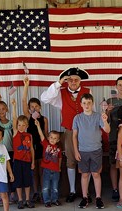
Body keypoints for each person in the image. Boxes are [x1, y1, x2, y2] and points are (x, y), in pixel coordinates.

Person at [40, 67, 91, 203]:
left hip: (85, 131)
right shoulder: (60, 93)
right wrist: (58, 83)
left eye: (76, 79)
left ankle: (85, 192)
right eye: (70, 80)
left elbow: (92, 111)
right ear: (66, 81)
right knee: (70, 160)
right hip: (69, 131)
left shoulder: (87, 92)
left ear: (80, 81)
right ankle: (73, 190)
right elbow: (44, 98)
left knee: (86, 159)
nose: (73, 82)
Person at [73, 93, 110, 209]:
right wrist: (76, 151)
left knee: (95, 174)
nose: (87, 105)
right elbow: (74, 136)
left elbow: (107, 130)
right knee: (84, 174)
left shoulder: (98, 116)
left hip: (96, 150)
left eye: (89, 103)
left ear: (92, 103)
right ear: (81, 104)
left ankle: (98, 198)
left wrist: (105, 121)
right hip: (83, 151)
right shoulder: (77, 118)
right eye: (84, 103)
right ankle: (85, 197)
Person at [23, 77, 49, 203]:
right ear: (29, 109)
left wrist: (48, 147)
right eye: (31, 106)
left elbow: (46, 134)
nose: (34, 108)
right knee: (33, 171)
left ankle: (43, 191)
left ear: (40, 107)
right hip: (30, 147)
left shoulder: (44, 119)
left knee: (42, 170)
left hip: (41, 146)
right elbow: (23, 100)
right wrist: (26, 86)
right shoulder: (28, 118)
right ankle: (35, 192)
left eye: (36, 106)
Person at [11, 99, 36, 209]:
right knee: (18, 181)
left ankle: (27, 199)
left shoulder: (29, 135)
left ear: (27, 125)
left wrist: (33, 162)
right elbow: (14, 118)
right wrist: (14, 106)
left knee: (27, 181)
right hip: (17, 161)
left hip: (27, 161)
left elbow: (31, 149)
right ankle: (20, 200)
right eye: (19, 125)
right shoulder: (15, 133)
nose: (21, 127)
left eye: (23, 125)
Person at [34, 120, 62, 208]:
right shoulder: (46, 144)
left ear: (58, 140)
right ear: (48, 138)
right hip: (46, 170)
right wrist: (38, 126)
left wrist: (59, 167)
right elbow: (41, 136)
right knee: (46, 187)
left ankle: (54, 199)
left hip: (56, 170)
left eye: (55, 138)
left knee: (55, 187)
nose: (53, 139)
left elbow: (60, 158)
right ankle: (47, 200)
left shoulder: (58, 148)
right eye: (51, 137)